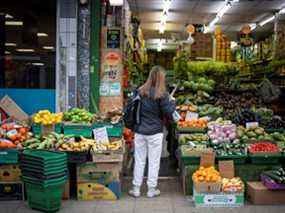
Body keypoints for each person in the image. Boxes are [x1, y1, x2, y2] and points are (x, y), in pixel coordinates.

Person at [129, 65, 176, 198]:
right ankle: (151, 190)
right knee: (154, 161)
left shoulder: (140, 91)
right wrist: (173, 102)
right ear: (161, 79)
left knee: (139, 160)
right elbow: (168, 111)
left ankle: (136, 189)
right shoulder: (163, 94)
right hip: (155, 132)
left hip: (140, 131)